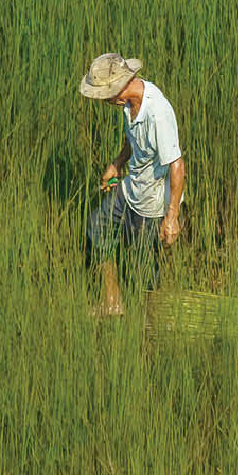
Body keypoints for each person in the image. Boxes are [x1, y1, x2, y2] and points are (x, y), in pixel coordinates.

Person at [78, 51, 184, 316]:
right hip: (132, 187)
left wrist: (171, 217)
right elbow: (132, 140)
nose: (104, 102)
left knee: (143, 266)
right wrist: (117, 163)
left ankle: (151, 322)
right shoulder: (129, 105)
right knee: (97, 226)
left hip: (153, 201)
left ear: (119, 88)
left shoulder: (157, 112)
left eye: (104, 95)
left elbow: (177, 164)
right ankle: (112, 302)